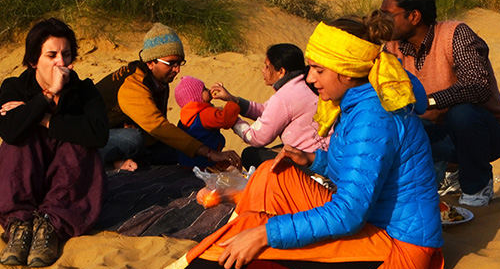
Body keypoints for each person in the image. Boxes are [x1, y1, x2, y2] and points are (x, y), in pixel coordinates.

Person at [58, 13, 445, 269]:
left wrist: (264, 234)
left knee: (253, 237)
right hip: (373, 226)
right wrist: (311, 160)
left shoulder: (372, 117)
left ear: (348, 72)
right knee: (271, 172)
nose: (310, 79)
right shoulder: (358, 101)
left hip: (395, 249)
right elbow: (352, 170)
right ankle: (240, 226)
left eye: (318, 70)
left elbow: (348, 214)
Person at [381, 0, 500, 207]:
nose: (382, 21)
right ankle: (447, 172)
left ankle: (477, 184)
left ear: (414, 16)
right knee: (391, 121)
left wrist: (427, 102)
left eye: (388, 15)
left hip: (487, 133)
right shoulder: (391, 48)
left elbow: (477, 86)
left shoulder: (454, 34)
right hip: (436, 133)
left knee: (461, 113)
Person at [0, 18, 108, 267]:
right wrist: (47, 95)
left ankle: (50, 226)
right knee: (21, 135)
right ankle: (19, 225)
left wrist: (42, 118)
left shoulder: (83, 91)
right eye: (51, 55)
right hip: (29, 177)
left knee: (78, 140)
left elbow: (99, 134)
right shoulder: (15, 87)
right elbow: (8, 130)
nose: (61, 63)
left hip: (67, 185)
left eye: (66, 54)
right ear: (34, 61)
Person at [96, 23, 240, 171]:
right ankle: (110, 165)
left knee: (177, 151)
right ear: (151, 62)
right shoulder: (133, 84)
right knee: (133, 139)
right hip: (91, 142)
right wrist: (209, 153)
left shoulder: (160, 82)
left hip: (125, 135)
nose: (177, 70)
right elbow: (158, 127)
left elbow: (158, 130)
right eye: (171, 63)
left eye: (179, 63)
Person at [210, 43, 327, 168]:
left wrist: (232, 120)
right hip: (323, 154)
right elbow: (267, 111)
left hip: (312, 162)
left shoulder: (285, 97)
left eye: (267, 66)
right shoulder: (302, 85)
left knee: (250, 155)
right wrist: (234, 100)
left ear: (281, 72)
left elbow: (257, 138)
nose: (263, 70)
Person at [173, 76, 241, 169]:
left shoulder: (185, 118)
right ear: (197, 96)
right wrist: (232, 101)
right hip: (207, 163)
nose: (208, 90)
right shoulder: (204, 113)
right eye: (204, 89)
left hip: (188, 163)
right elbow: (225, 120)